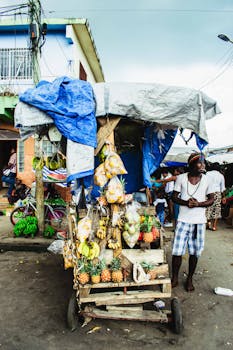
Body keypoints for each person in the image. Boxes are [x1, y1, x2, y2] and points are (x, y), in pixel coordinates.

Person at [171, 153, 214, 292]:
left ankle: (189, 278)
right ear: (191, 165)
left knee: (195, 253)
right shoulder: (181, 178)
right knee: (177, 252)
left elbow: (212, 199)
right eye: (200, 163)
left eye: (204, 163)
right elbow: (174, 197)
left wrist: (198, 204)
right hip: (183, 220)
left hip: (199, 222)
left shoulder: (208, 180)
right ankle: (175, 278)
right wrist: (186, 202)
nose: (203, 166)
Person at [206, 162, 226, 231]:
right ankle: (214, 226)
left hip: (208, 192)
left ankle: (208, 223)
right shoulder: (221, 175)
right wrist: (223, 197)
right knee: (216, 209)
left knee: (208, 208)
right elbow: (222, 188)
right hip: (217, 193)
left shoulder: (208, 173)